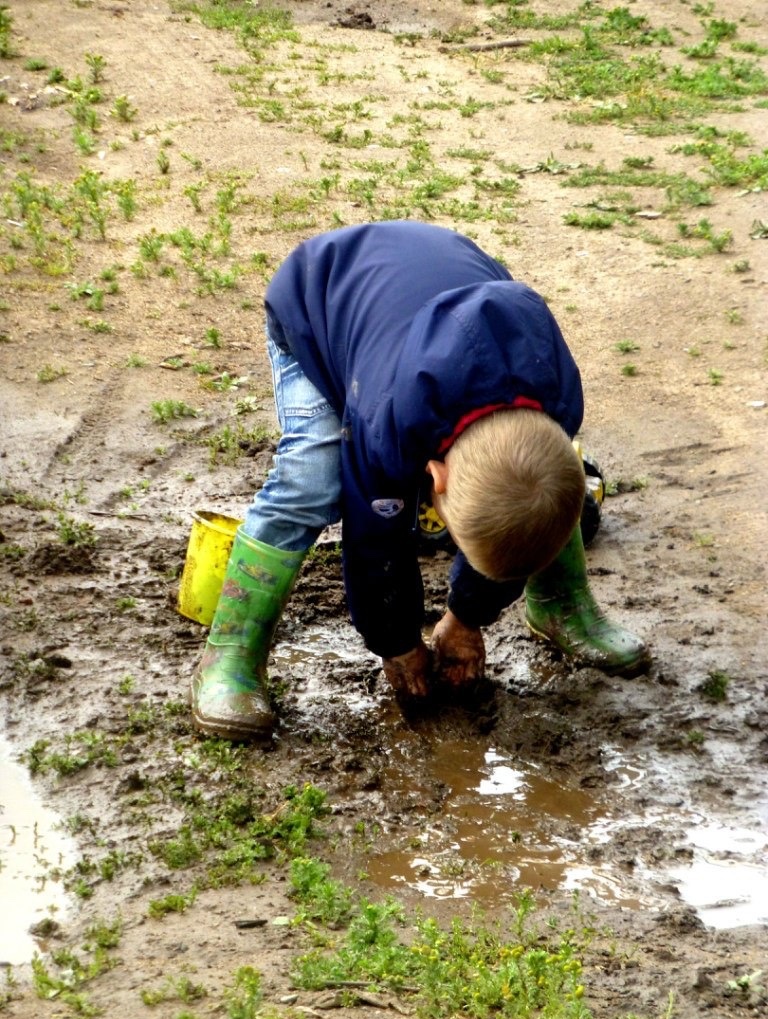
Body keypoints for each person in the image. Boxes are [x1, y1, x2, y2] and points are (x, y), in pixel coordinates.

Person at [191, 221, 650, 741]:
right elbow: (374, 543)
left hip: (436, 318)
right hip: (318, 300)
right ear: (434, 474)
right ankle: (232, 651)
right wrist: (397, 642)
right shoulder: (387, 421)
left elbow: (536, 488)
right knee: (312, 477)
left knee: (544, 480)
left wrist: (466, 616)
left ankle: (561, 604)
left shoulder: (557, 401)